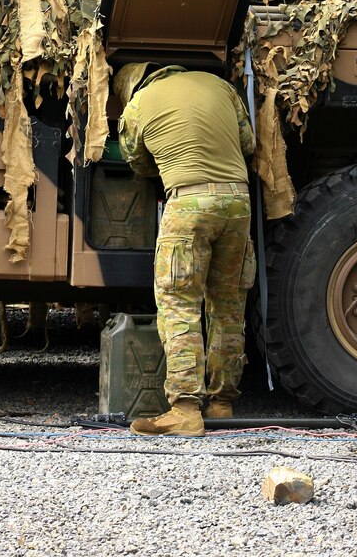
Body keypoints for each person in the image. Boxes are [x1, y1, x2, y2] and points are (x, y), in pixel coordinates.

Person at [115, 63, 256, 437]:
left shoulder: (139, 104)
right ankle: (223, 404)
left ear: (131, 89)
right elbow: (248, 143)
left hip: (188, 204)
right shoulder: (220, 86)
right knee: (228, 305)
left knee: (179, 303)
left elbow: (136, 159)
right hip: (238, 201)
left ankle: (185, 409)